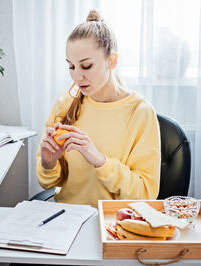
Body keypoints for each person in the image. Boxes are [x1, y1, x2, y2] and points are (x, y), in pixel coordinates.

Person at [36, 10, 160, 208]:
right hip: (66, 218)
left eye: (86, 66)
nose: (76, 77)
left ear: (112, 61)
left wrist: (100, 161)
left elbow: (145, 193)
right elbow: (47, 182)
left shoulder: (140, 112)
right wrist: (48, 163)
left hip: (114, 223)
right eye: (71, 66)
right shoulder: (65, 103)